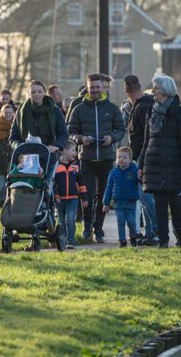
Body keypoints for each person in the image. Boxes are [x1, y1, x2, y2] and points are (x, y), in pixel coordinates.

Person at [66, 74, 125, 243]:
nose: (95, 90)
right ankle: (86, 225)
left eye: (98, 87)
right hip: (87, 158)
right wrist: (81, 139)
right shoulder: (79, 109)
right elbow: (70, 131)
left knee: (103, 196)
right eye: (92, 87)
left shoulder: (112, 108)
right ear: (87, 87)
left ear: (103, 87)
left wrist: (112, 138)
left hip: (106, 158)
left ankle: (98, 229)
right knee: (88, 194)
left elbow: (121, 129)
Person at [137, 74, 181, 248]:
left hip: (173, 163)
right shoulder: (151, 110)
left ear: (166, 91)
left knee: (176, 205)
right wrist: (141, 165)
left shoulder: (180, 112)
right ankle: (163, 240)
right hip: (154, 163)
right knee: (159, 205)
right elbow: (146, 140)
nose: (152, 91)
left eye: (156, 88)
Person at [123, 75, 158, 245]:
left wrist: (139, 160)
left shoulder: (141, 107)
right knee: (144, 197)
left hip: (141, 157)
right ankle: (150, 231)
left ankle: (156, 229)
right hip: (141, 156)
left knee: (144, 196)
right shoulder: (143, 105)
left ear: (126, 89)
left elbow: (145, 137)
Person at [11, 80, 67, 153]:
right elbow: (13, 136)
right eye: (33, 92)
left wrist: (56, 146)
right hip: (26, 154)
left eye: (40, 92)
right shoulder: (21, 110)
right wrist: (19, 146)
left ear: (44, 93)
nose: (36, 94)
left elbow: (63, 134)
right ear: (29, 93)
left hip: (49, 152)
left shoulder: (54, 110)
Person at [102, 147, 141, 247]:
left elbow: (141, 181)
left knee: (132, 222)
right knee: (120, 222)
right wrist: (105, 203)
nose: (121, 159)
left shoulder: (134, 170)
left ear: (130, 159)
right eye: (119, 157)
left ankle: (133, 236)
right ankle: (122, 241)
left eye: (124, 157)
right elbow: (109, 188)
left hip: (130, 202)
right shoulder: (113, 172)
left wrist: (140, 176)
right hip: (118, 202)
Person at [54, 142, 87, 249]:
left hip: (73, 198)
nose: (75, 153)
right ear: (64, 151)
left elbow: (81, 182)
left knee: (70, 218)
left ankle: (70, 241)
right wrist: (56, 196)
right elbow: (53, 184)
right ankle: (61, 240)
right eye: (73, 150)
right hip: (60, 200)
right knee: (61, 220)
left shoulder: (76, 166)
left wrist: (84, 197)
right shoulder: (57, 166)